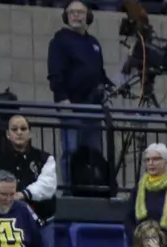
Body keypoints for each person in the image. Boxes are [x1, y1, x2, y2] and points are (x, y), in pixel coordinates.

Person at [48, 0, 109, 182]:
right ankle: (69, 191)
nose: (76, 15)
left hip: (93, 107)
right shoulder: (59, 41)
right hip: (72, 106)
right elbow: (55, 73)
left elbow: (100, 72)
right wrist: (62, 99)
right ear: (66, 16)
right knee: (71, 151)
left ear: (88, 15)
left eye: (80, 12)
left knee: (94, 152)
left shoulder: (94, 43)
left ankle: (93, 189)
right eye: (72, 12)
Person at [0, 114, 58, 224]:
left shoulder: (45, 158)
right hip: (11, 222)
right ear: (7, 134)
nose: (19, 132)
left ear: (30, 133)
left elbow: (48, 186)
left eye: (23, 129)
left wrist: (24, 194)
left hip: (43, 221)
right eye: (14, 129)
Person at [128, 145, 167, 247]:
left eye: (156, 159)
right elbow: (128, 219)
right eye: (148, 160)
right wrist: (141, 240)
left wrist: (161, 242)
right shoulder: (137, 189)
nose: (151, 163)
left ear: (166, 162)